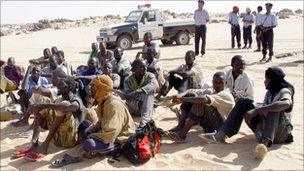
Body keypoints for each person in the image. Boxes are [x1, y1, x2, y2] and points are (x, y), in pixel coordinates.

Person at [200, 67, 294, 159]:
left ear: (273, 81)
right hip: (262, 129)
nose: (264, 82)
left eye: (267, 79)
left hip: (280, 135)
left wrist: (257, 110)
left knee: (274, 109)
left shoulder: (285, 91)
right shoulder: (269, 93)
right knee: (243, 102)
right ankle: (220, 136)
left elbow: (286, 103)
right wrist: (254, 112)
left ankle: (263, 146)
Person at [21, 76, 84, 161]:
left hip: (70, 139)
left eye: (61, 85)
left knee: (63, 105)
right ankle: (34, 142)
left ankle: (44, 146)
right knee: (45, 100)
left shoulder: (76, 99)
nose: (58, 87)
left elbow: (72, 107)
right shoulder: (59, 99)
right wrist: (38, 107)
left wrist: (45, 106)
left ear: (68, 87)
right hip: (57, 138)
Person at [164, 71, 235, 142]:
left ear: (225, 83)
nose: (217, 85)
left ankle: (182, 134)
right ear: (212, 82)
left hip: (219, 129)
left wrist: (182, 99)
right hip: (209, 124)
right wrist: (179, 96)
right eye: (215, 82)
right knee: (191, 95)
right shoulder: (213, 90)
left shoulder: (226, 95)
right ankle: (180, 126)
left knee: (202, 101)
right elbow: (191, 91)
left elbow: (204, 99)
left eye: (220, 82)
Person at [78, 75, 135, 158]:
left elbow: (111, 133)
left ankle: (115, 148)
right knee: (84, 125)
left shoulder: (113, 105)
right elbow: (101, 122)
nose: (91, 90)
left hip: (119, 138)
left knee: (89, 144)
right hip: (107, 131)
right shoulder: (104, 100)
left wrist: (91, 135)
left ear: (100, 88)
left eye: (93, 87)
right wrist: (88, 131)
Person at [124, 59, 159, 126]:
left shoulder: (150, 76)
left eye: (145, 66)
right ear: (135, 69)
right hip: (134, 107)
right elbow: (128, 97)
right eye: (141, 67)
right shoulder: (128, 80)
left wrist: (138, 91)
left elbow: (155, 85)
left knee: (148, 94)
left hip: (146, 107)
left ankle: (144, 122)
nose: (145, 68)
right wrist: (138, 103)